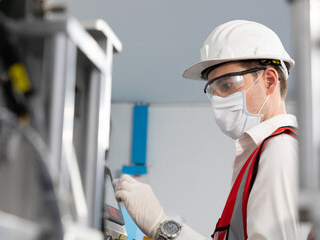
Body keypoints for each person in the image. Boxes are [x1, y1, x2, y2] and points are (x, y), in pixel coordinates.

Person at [114, 20, 306, 239]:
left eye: (227, 85)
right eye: (212, 90)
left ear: (269, 80)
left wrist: (162, 225)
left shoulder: (280, 149)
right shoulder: (262, 153)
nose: (218, 99)